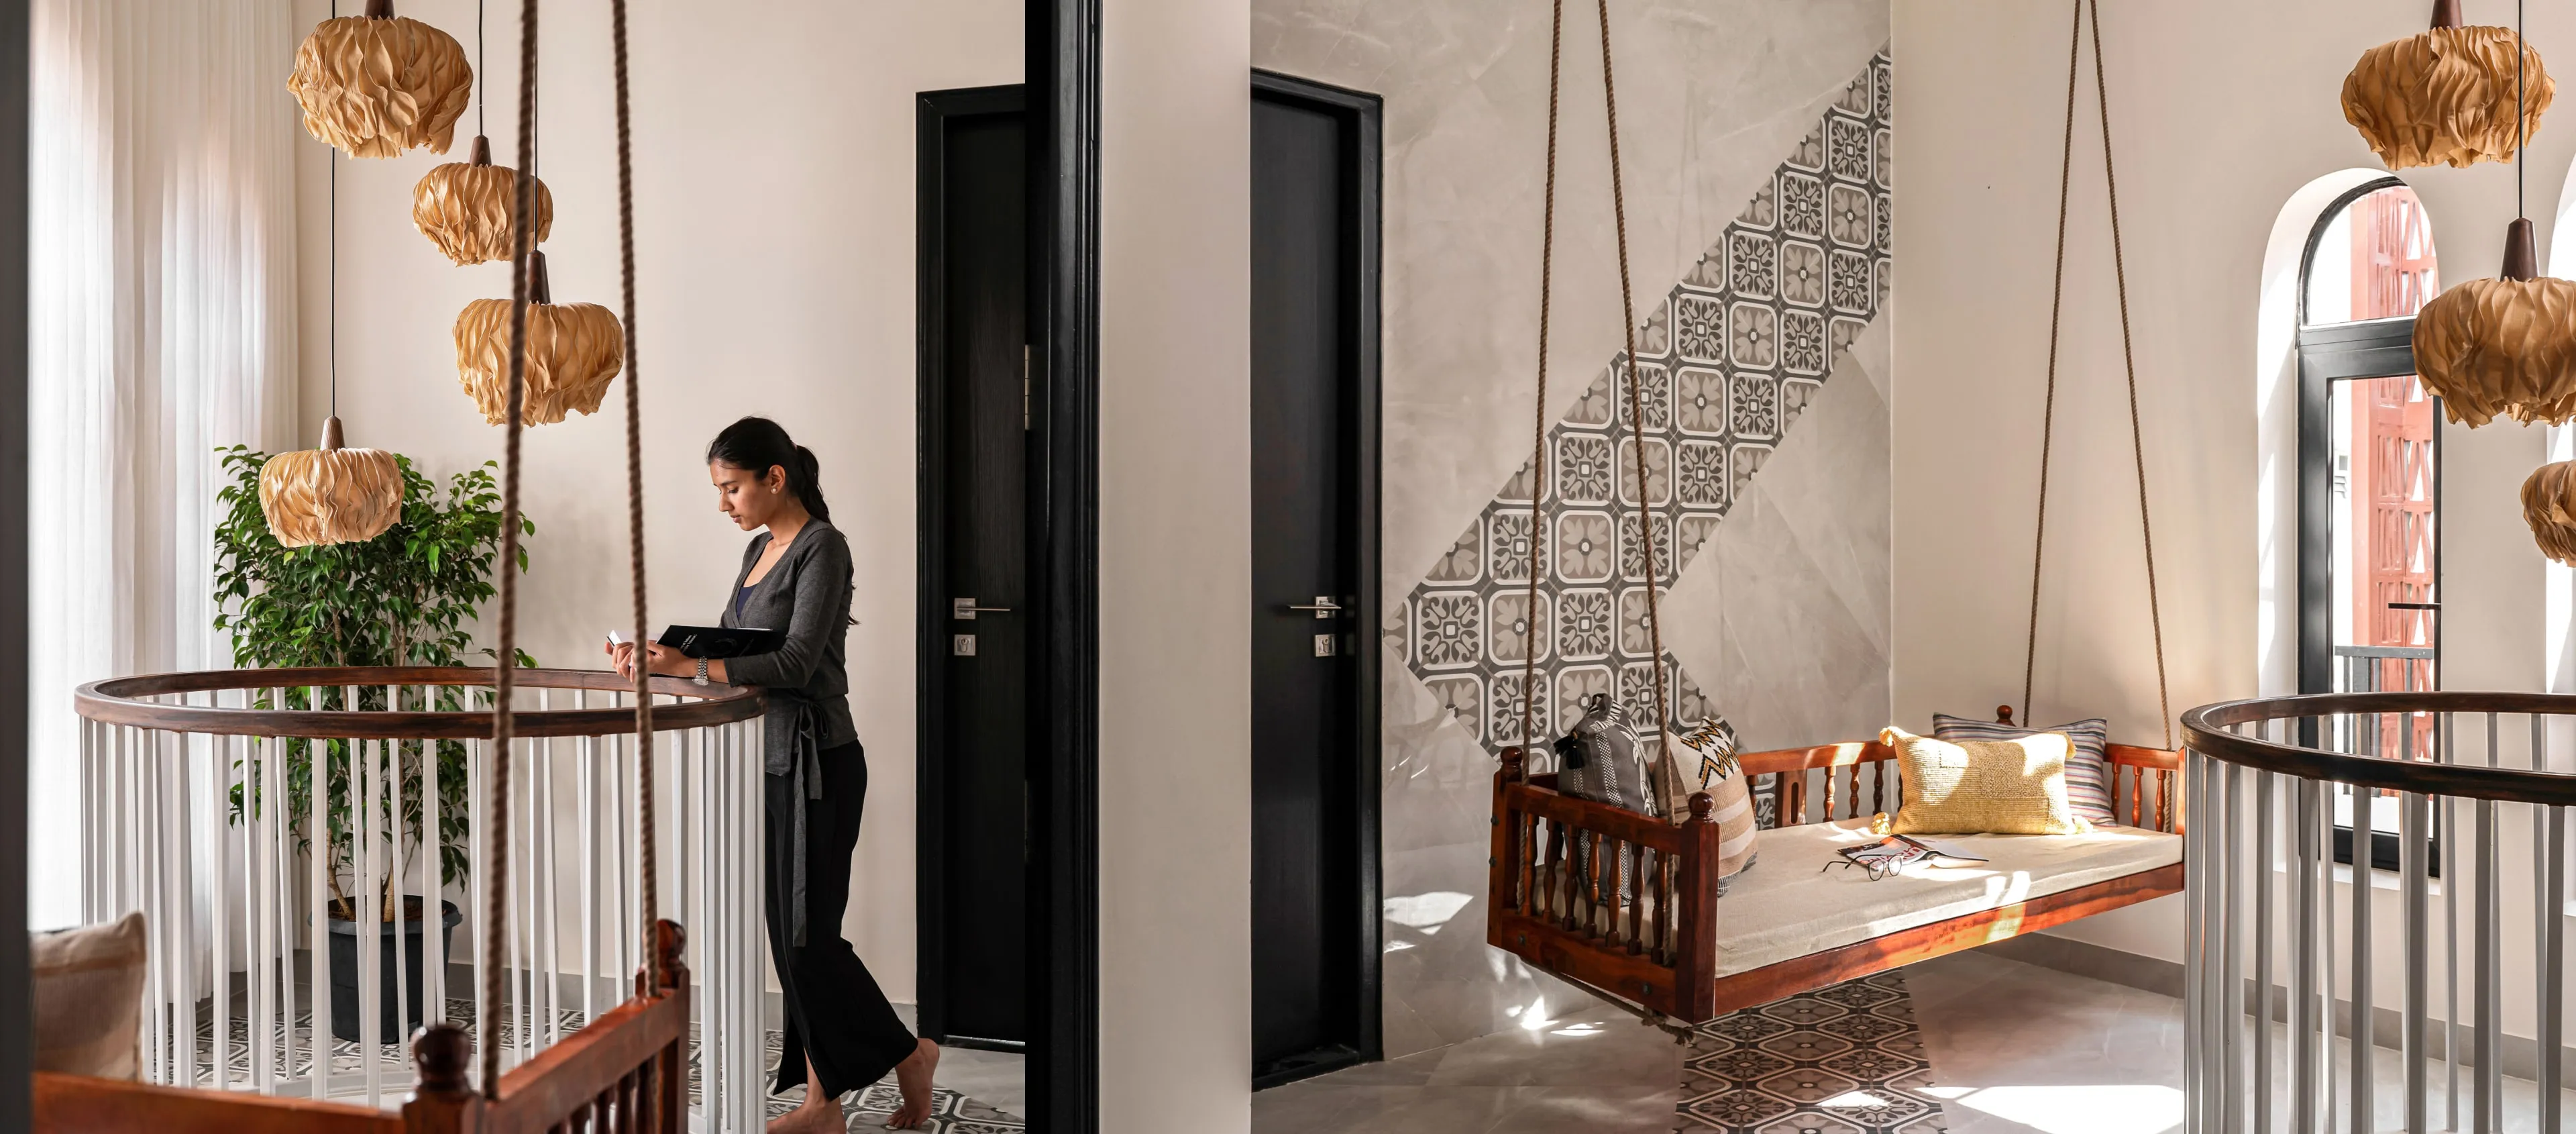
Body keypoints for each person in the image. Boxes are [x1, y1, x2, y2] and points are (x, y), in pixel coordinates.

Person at [610, 417, 938, 1131]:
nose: (724, 503)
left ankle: (891, 1064)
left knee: (806, 934)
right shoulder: (761, 549)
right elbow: (741, 644)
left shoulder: (824, 546)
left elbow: (793, 662)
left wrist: (691, 664)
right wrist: (662, 657)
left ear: (775, 478)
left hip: (821, 762)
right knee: (789, 933)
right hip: (771, 761)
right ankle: (840, 1093)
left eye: (732, 488)